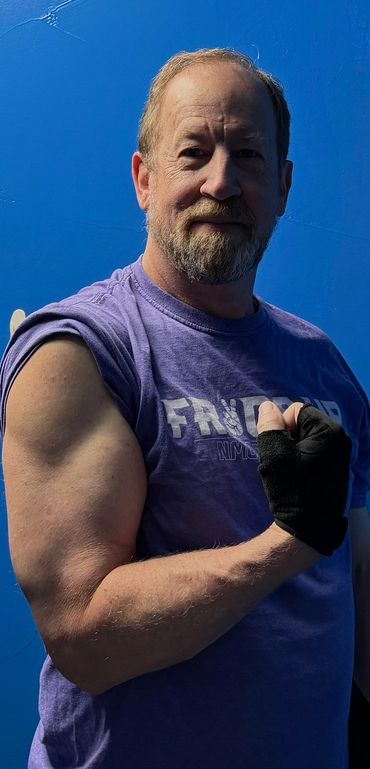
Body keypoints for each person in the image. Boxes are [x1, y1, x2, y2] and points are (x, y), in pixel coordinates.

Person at [1, 48, 369, 769]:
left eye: (250, 156)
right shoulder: (79, 351)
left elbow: (355, 584)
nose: (223, 182)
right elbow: (84, 636)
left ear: (284, 186)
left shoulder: (321, 363)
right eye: (194, 151)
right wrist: (284, 545)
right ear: (145, 178)